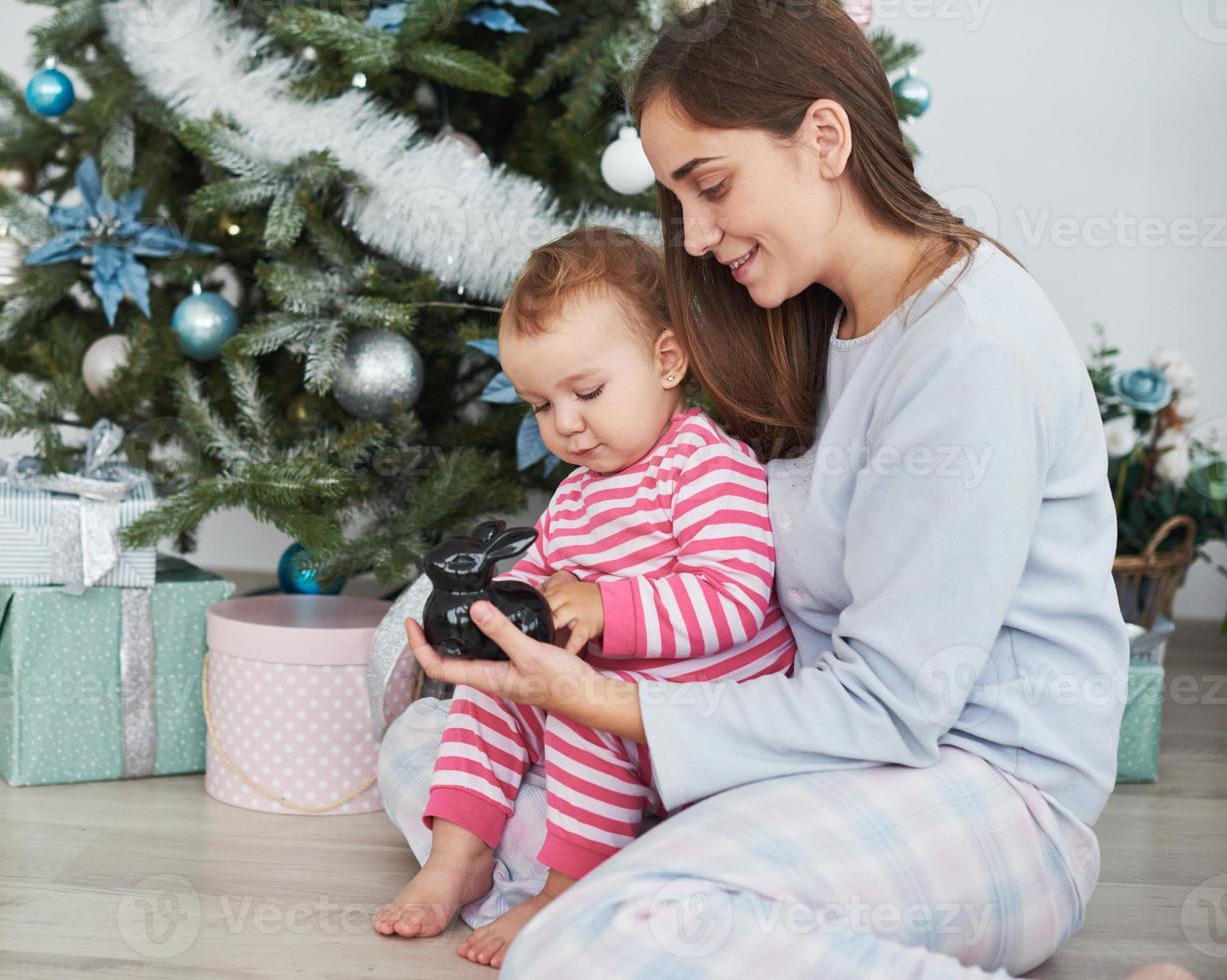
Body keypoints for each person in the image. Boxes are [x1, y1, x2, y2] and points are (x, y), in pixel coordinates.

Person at [378, 0, 1142, 975]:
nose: (692, 236)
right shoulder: (813, 319)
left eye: (712, 186)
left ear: (824, 137)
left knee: (593, 938)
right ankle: (654, 894)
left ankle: (626, 903)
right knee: (426, 749)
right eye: (675, 200)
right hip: (803, 752)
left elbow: (890, 709)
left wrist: (604, 699)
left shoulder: (968, 356)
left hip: (973, 787)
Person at [373, 228, 796, 967]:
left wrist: (607, 609)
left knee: (577, 705)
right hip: (614, 707)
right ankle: (456, 859)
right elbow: (536, 583)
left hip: (698, 731)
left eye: (587, 393)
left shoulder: (705, 465)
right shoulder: (575, 497)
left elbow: (731, 598)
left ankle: (568, 886)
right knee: (486, 698)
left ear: (667, 360)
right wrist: (485, 622)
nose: (564, 424)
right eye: (539, 405)